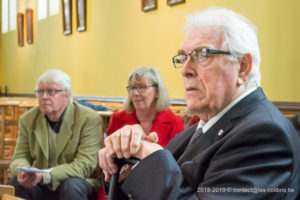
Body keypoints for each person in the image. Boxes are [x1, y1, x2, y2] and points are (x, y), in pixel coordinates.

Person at [99, 7, 300, 200]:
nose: (184, 70)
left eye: (202, 54)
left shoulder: (265, 134)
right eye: (183, 57)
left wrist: (151, 156)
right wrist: (127, 166)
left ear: (242, 67)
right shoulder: (196, 131)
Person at [8, 69, 102, 200]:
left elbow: (85, 165)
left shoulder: (88, 118)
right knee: (15, 183)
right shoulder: (28, 119)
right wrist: (23, 170)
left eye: (51, 91)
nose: (44, 96)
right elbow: (19, 157)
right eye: (40, 92)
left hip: (79, 181)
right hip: (41, 182)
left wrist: (46, 176)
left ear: (66, 95)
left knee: (71, 186)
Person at [97, 66, 184, 199]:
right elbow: (108, 163)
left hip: (159, 192)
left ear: (157, 91)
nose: (136, 93)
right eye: (132, 88)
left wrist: (135, 169)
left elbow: (176, 166)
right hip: (120, 188)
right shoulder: (117, 118)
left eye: (142, 87)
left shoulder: (175, 122)